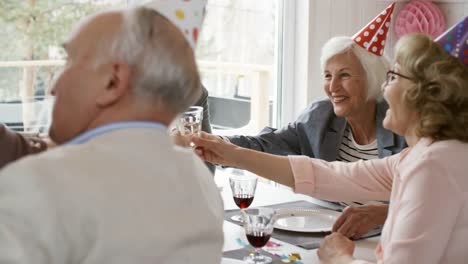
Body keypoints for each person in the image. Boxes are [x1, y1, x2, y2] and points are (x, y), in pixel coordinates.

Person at [192, 32, 468, 263]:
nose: (384, 88)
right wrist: (230, 153)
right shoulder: (424, 156)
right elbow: (331, 175)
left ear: (422, 94)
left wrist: (338, 257)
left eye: (393, 77)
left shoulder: (433, 166)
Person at [0, 3, 224, 264]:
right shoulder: (200, 181)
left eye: (69, 61)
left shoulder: (36, 184)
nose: (53, 86)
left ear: (112, 82)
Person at [195, 3, 406, 239]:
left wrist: (387, 213)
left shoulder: (402, 124)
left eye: (344, 75)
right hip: (326, 233)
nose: (333, 87)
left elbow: (431, 203)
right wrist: (218, 144)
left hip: (387, 238)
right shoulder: (321, 117)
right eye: (328, 76)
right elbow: (268, 144)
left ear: (373, 78)